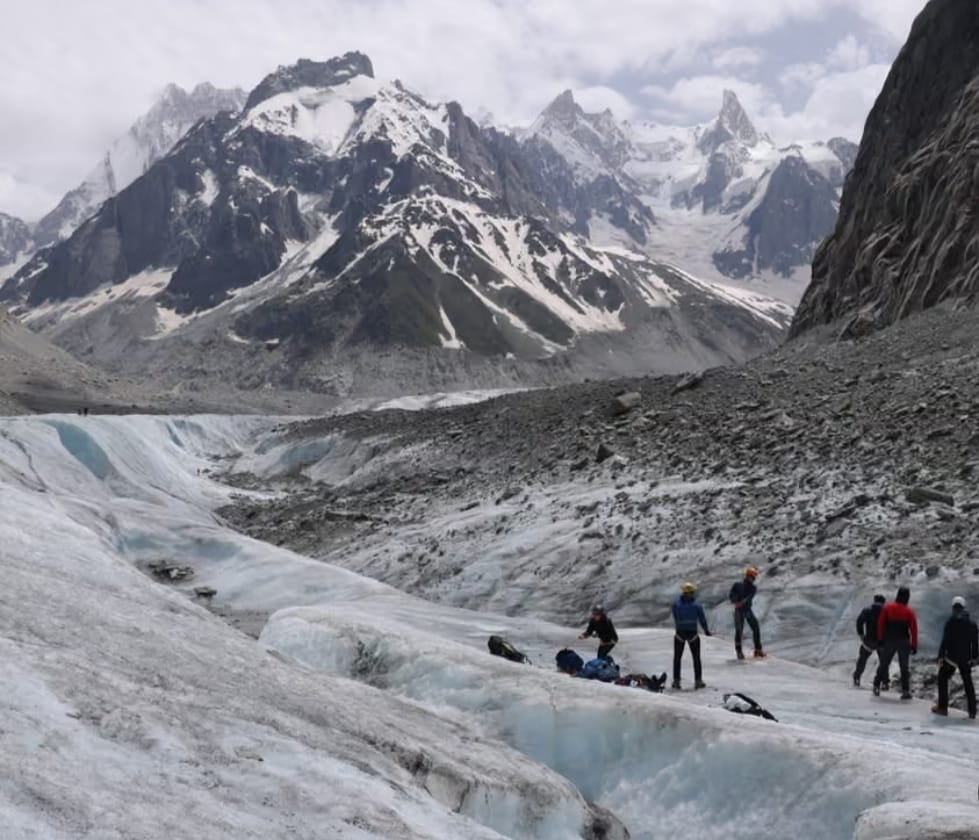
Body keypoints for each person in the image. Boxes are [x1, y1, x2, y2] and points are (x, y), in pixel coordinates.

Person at [931, 596, 978, 719]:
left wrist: (940, 656)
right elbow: (975, 643)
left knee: (942, 678)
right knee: (968, 684)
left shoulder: (950, 622)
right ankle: (972, 712)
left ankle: (942, 707)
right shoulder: (972, 624)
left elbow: (945, 640)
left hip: (951, 658)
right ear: (964, 607)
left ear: (953, 607)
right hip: (965, 659)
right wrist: (975, 657)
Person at [873, 586, 918, 699]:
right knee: (904, 667)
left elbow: (881, 624)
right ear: (907, 597)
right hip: (903, 641)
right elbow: (914, 629)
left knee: (884, 663)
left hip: (889, 640)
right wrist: (914, 645)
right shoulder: (909, 611)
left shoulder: (887, 608)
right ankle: (905, 691)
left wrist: (880, 640)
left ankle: (876, 685)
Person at [671, 582, 710, 689]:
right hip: (692, 633)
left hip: (680, 633)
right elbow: (702, 619)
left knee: (677, 658)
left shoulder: (676, 604)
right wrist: (706, 630)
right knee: (696, 658)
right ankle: (698, 681)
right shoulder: (697, 605)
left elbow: (675, 616)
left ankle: (676, 681)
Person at [729, 567, 764, 659]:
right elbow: (731, 595)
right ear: (748, 576)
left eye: (754, 577)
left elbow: (749, 597)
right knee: (739, 630)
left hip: (746, 610)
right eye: (753, 576)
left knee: (755, 627)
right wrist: (736, 601)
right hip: (740, 610)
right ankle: (739, 651)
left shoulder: (752, 588)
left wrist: (740, 602)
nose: (753, 579)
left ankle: (758, 650)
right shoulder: (737, 585)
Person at [853, 594, 886, 687]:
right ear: (883, 602)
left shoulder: (867, 610)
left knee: (862, 659)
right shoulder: (886, 611)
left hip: (869, 640)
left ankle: (857, 677)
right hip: (882, 641)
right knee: (884, 662)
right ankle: (885, 682)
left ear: (874, 600)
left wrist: (861, 634)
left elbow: (859, 621)